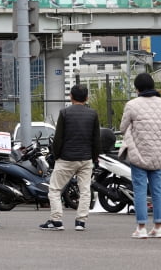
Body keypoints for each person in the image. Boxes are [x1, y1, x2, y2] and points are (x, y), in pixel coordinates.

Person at [39, 84, 100, 231]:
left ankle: (56, 220)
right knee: (85, 190)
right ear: (87, 98)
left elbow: (58, 138)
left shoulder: (64, 113)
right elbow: (96, 139)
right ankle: (81, 222)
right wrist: (94, 157)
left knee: (54, 189)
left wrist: (56, 155)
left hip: (66, 158)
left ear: (71, 97)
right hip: (85, 158)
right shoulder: (93, 114)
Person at [118, 73, 161, 239]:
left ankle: (141, 228)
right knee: (157, 190)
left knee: (139, 190)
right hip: (157, 153)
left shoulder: (132, 104)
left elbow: (123, 127)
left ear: (137, 88)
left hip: (138, 152)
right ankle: (159, 227)